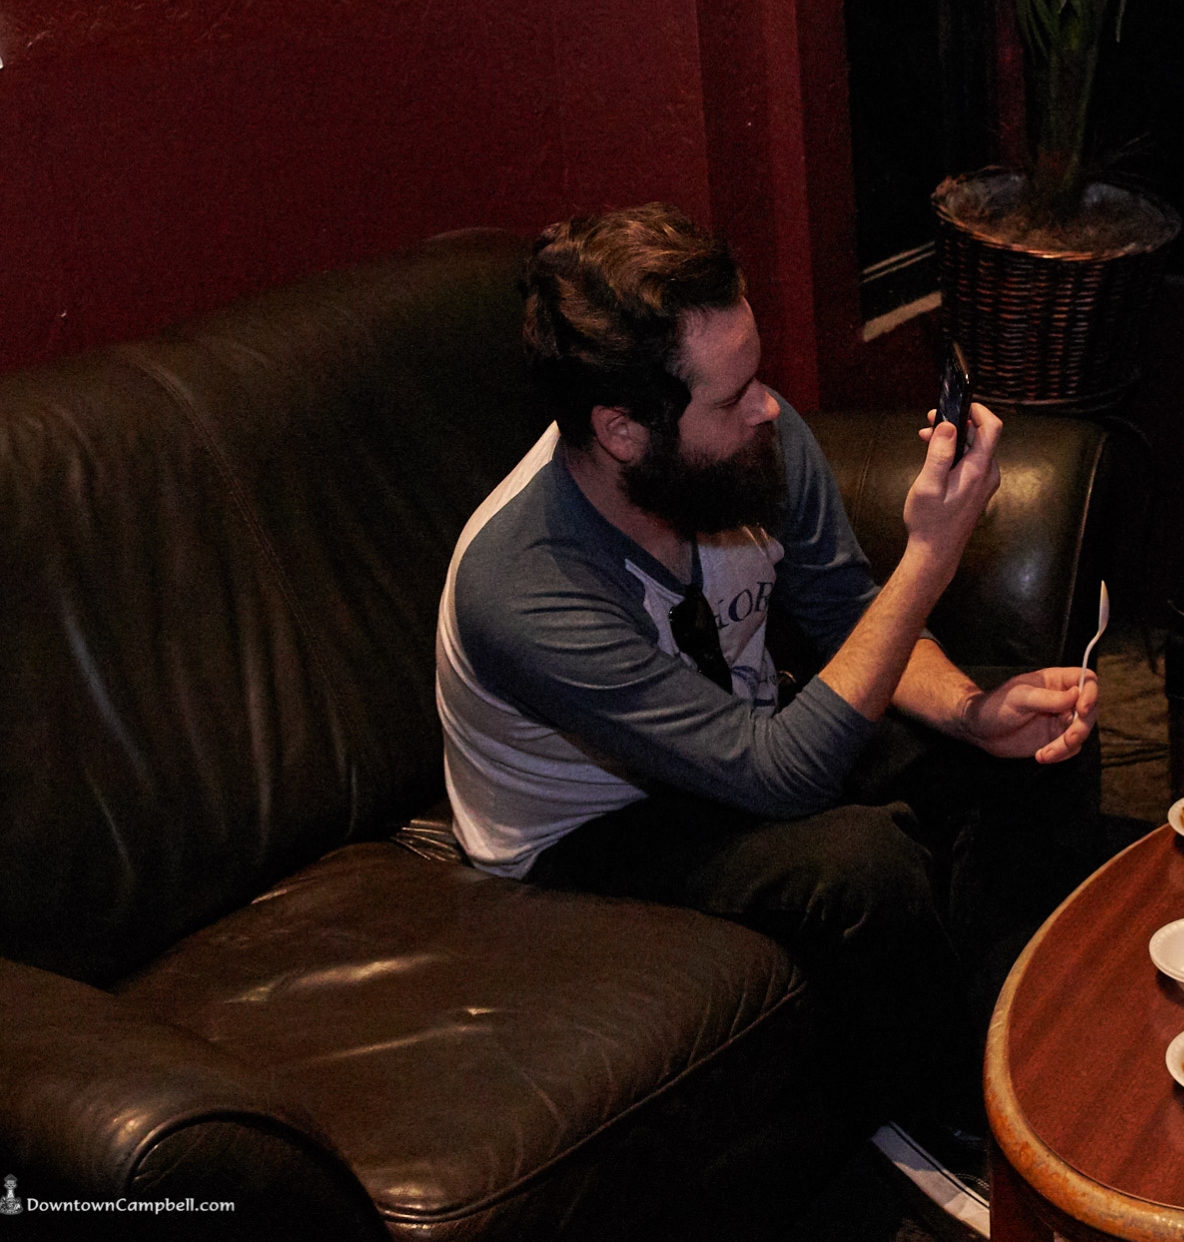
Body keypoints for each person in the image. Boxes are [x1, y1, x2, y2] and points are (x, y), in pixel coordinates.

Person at [433, 203, 1100, 1146]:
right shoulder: (523, 587)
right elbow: (778, 777)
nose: (769, 408)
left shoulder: (751, 447)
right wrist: (930, 558)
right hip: (591, 836)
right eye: (732, 395)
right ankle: (962, 1125)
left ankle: (1029, 1038)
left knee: (1039, 736)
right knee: (860, 867)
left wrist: (967, 711)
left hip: (741, 728)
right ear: (622, 430)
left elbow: (843, 617)